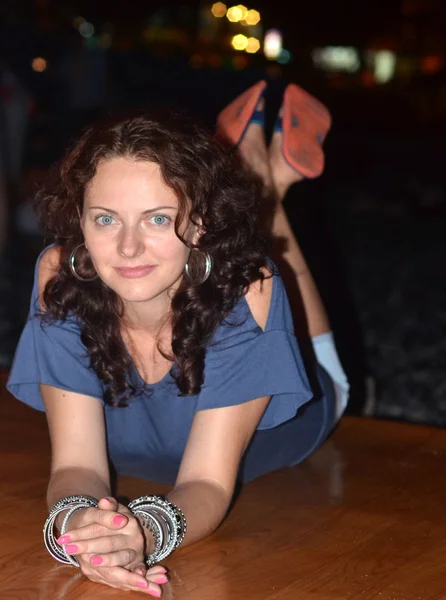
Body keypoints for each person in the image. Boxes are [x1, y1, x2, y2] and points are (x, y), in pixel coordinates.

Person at [7, 83, 348, 597]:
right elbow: (77, 465)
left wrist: (143, 535)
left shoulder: (247, 286)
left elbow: (207, 484)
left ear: (200, 220)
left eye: (158, 219)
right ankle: (253, 168)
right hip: (141, 451)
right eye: (105, 219)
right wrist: (80, 528)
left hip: (291, 422)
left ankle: (267, 188)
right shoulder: (60, 275)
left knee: (259, 265)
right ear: (80, 220)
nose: (126, 246)